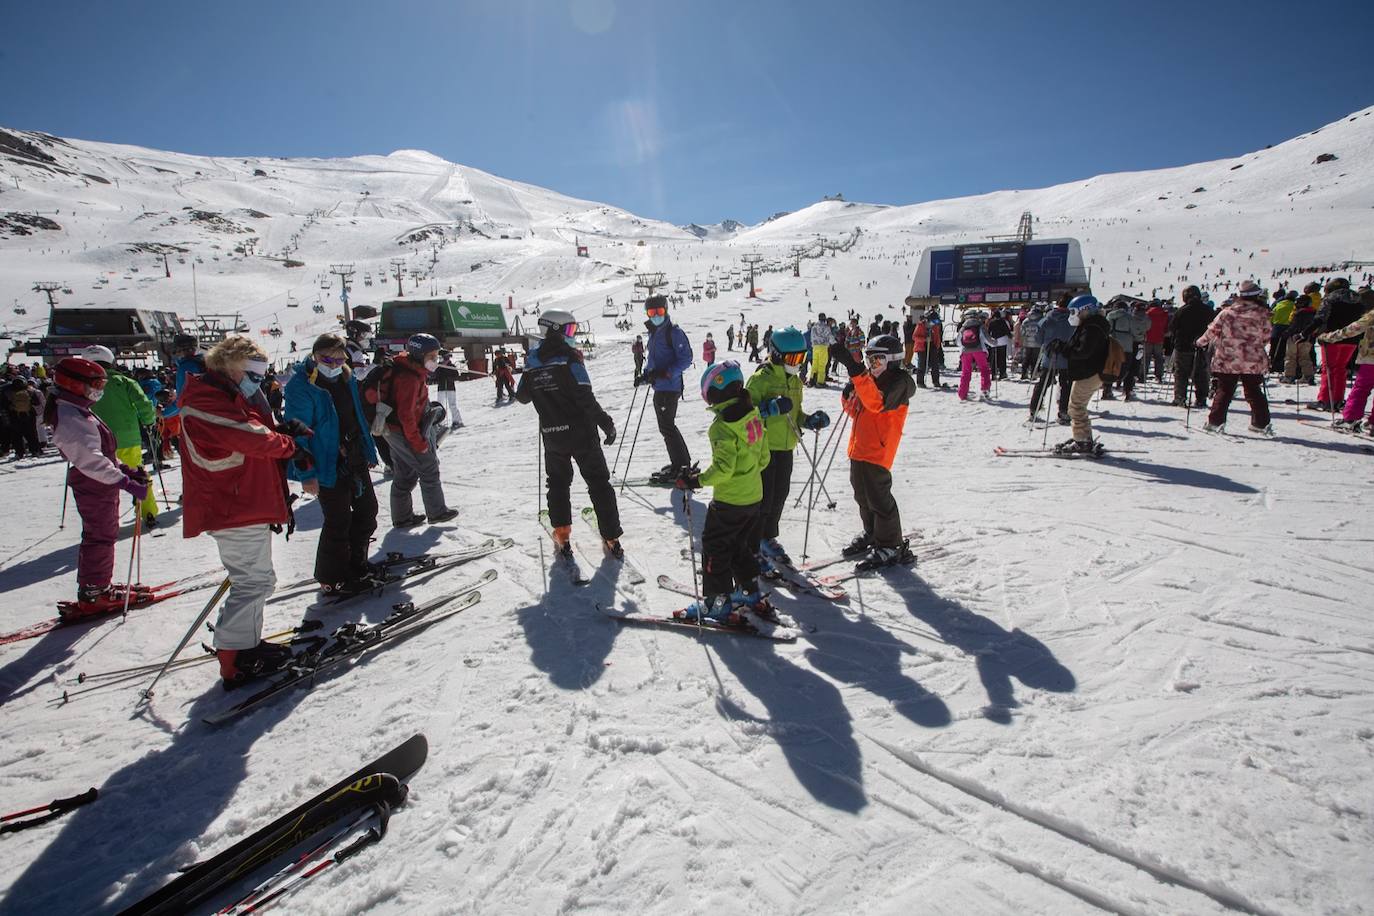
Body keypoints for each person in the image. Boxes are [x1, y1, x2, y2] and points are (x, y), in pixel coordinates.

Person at [178, 336, 302, 686]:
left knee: (257, 579)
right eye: (252, 373)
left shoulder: (223, 396)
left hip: (242, 500)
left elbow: (253, 431)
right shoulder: (206, 400)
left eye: (262, 374)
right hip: (233, 503)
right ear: (227, 365)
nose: (257, 380)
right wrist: (287, 443)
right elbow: (249, 438)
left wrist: (277, 431)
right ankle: (236, 659)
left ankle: (245, 645)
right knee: (253, 582)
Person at [45, 357, 151, 617]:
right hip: (94, 483)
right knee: (101, 535)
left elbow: (100, 453)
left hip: (98, 481)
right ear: (73, 383)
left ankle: (97, 585)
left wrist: (125, 469)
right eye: (95, 384)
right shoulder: (70, 415)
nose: (99, 390)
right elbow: (90, 459)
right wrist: (124, 481)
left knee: (103, 533)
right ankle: (95, 591)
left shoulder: (77, 408)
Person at [516, 309, 623, 559]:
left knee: (558, 483)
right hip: (582, 434)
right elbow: (585, 397)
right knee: (598, 483)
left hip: (553, 436)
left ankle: (562, 534)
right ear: (555, 330)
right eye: (570, 330)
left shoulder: (532, 361)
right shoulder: (570, 359)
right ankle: (611, 536)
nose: (573, 336)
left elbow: (521, 397)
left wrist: (531, 374)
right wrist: (606, 423)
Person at [674, 361, 774, 624]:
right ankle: (748, 590)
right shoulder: (753, 415)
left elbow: (724, 469)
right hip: (754, 497)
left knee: (715, 546)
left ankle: (716, 601)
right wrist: (748, 473)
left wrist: (696, 481)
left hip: (730, 500)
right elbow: (763, 459)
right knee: (739, 544)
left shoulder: (722, 427)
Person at [283, 333, 382, 595]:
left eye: (340, 359)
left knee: (367, 510)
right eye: (328, 358)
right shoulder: (301, 386)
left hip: (353, 454)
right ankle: (331, 576)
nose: (334, 364)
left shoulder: (346, 378)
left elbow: (357, 416)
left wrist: (368, 451)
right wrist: (307, 473)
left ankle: (356, 564)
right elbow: (296, 430)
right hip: (325, 460)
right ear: (315, 356)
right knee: (338, 519)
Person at [745, 327, 830, 569]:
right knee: (764, 498)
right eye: (793, 358)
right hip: (763, 448)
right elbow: (745, 414)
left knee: (780, 495)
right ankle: (753, 544)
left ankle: (768, 537)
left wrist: (808, 420)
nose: (798, 363)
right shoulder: (760, 379)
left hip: (786, 446)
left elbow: (795, 414)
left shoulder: (795, 381)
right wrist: (767, 409)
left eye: (801, 358)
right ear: (777, 354)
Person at [832, 335, 916, 569]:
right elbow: (856, 411)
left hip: (878, 449)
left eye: (877, 361)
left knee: (879, 498)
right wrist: (848, 393)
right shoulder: (869, 380)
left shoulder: (898, 383)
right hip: (859, 446)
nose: (872, 366)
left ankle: (890, 544)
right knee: (862, 494)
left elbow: (876, 404)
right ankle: (872, 532)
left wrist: (856, 371)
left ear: (892, 360)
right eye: (870, 361)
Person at [381, 333, 459, 527]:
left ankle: (402, 517)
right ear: (418, 355)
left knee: (405, 473)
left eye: (436, 356)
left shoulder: (412, 371)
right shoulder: (408, 378)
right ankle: (437, 511)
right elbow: (405, 414)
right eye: (431, 356)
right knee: (428, 467)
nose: (435, 360)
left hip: (394, 430)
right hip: (402, 431)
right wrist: (418, 442)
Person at [83, 346, 160, 527]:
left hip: (95, 440)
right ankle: (148, 511)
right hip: (127, 437)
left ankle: (105, 519)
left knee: (102, 479)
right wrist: (149, 422)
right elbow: (143, 403)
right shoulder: (123, 381)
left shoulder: (83, 385)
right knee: (137, 474)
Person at [1197, 280, 1274, 436]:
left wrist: (1200, 342)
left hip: (1228, 359)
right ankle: (1261, 423)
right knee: (1253, 391)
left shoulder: (1227, 313)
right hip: (1252, 360)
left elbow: (1212, 331)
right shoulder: (1262, 314)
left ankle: (1215, 423)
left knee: (1224, 390)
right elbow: (1266, 337)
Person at [634, 295, 694, 483]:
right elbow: (653, 360)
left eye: (659, 312)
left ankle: (681, 465)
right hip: (660, 387)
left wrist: (666, 373)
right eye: (652, 313)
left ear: (666, 310)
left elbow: (686, 359)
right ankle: (681, 462)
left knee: (667, 427)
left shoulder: (674, 333)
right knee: (666, 427)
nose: (655, 316)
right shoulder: (654, 333)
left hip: (669, 387)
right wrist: (645, 375)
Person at [1045, 296, 1112, 454]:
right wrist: (1062, 346)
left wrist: (1062, 348)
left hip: (1090, 372)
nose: (1071, 315)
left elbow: (1083, 351)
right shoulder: (1092, 325)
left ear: (1085, 310)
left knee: (1075, 407)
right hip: (1091, 371)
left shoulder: (1092, 328)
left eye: (1074, 312)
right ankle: (1083, 437)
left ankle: (1082, 441)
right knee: (1076, 406)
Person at [1316, 290, 1374, 432]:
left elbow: (1352, 329)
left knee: (1361, 388)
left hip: (1371, 358)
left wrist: (1328, 337)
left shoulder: (1372, 316)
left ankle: (1350, 419)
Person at [1308, 278, 1366, 412]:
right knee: (1340, 368)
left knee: (1328, 368)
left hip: (1332, 337)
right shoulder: (1358, 300)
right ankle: (1338, 399)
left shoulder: (1331, 298)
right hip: (1352, 338)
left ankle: (1325, 399)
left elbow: (1320, 318)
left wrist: (1305, 333)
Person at [1170, 286, 1214, 407]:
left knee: (1181, 373)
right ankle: (1201, 398)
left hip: (1183, 346)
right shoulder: (1208, 310)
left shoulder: (1182, 310)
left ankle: (1180, 397)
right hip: (1202, 346)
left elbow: (1172, 327)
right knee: (1200, 373)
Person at [3, 376, 44, 458]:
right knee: (31, 434)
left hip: (14, 416)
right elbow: (36, 403)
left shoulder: (8, 392)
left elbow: (4, 405)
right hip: (29, 415)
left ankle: (19, 453)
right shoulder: (30, 391)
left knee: (16, 436)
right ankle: (35, 451)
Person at [956, 311, 992, 402]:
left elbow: (958, 342)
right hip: (979, 350)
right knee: (984, 369)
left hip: (965, 351)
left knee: (966, 372)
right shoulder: (980, 326)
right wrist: (994, 343)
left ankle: (962, 394)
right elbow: (987, 339)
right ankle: (985, 390)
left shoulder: (963, 328)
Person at [1282, 293, 1317, 383]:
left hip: (1295, 337)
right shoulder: (1314, 313)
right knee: (1305, 357)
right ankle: (1308, 376)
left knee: (1291, 357)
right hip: (1307, 338)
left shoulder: (1299, 313)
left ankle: (1289, 376)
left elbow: (1294, 326)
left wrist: (1286, 333)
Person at [1269, 289, 1296, 373]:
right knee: (1284, 348)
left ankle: (1272, 364)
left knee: (1274, 347)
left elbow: (1272, 316)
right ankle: (1281, 365)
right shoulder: (1294, 306)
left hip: (1276, 327)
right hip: (1288, 328)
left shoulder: (1279, 304)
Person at [1142, 300, 1170, 383]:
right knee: (1159, 358)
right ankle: (1159, 376)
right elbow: (1167, 327)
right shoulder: (1164, 314)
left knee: (1146, 357)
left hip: (1148, 338)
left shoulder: (1147, 314)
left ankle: (1143, 375)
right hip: (1159, 338)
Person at [1018, 305, 1045, 380]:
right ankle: (1033, 374)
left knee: (1026, 358)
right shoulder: (1042, 320)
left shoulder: (1026, 321)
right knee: (1035, 359)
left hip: (1027, 343)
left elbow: (1022, 332)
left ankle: (1024, 374)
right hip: (1038, 343)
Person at [808, 313, 835, 387]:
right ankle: (820, 381)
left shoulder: (814, 326)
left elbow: (812, 337)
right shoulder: (826, 327)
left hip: (815, 347)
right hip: (823, 346)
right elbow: (829, 336)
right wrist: (835, 343)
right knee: (822, 364)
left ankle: (812, 380)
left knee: (814, 364)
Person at [986, 308, 1012, 380]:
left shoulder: (991, 322)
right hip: (1003, 341)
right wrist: (1010, 336)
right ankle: (1002, 373)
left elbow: (988, 332)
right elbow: (1007, 331)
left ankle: (993, 374)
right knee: (1002, 358)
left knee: (994, 358)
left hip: (994, 341)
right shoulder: (1003, 321)